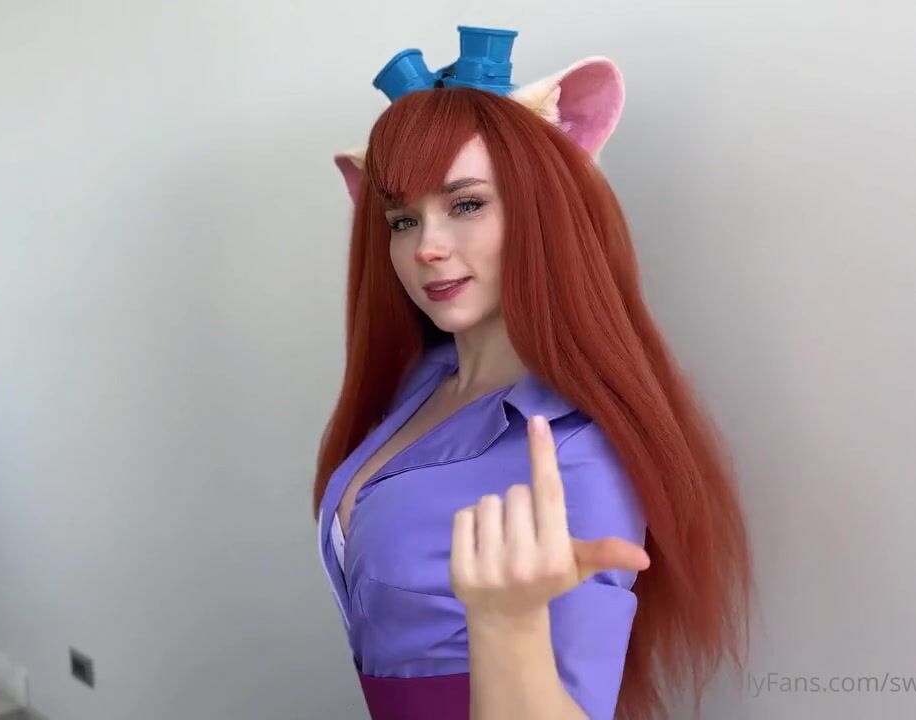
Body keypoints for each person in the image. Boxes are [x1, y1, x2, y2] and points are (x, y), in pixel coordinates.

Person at [313, 45, 752, 720]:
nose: (426, 246)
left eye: (466, 204)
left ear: (542, 212)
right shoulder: (422, 383)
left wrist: (506, 624)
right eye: (403, 220)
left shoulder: (576, 453)